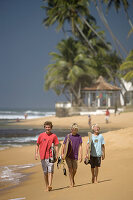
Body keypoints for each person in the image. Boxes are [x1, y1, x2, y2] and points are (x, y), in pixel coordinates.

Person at [35, 121, 59, 192]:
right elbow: (37, 145)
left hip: (51, 156)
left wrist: (57, 154)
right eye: (46, 127)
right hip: (43, 156)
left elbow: (57, 145)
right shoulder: (41, 135)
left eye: (49, 127)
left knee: (50, 171)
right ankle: (46, 185)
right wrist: (36, 153)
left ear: (51, 128)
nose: (47, 128)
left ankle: (50, 185)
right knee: (45, 172)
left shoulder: (54, 136)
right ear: (44, 127)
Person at [62, 123, 83, 187]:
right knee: (70, 168)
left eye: (76, 129)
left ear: (77, 130)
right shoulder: (68, 136)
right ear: (71, 130)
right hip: (68, 155)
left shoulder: (79, 137)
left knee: (75, 169)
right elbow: (64, 145)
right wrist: (62, 154)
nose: (74, 130)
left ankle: (72, 179)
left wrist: (81, 155)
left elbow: (80, 146)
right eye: (73, 129)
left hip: (75, 155)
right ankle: (71, 182)